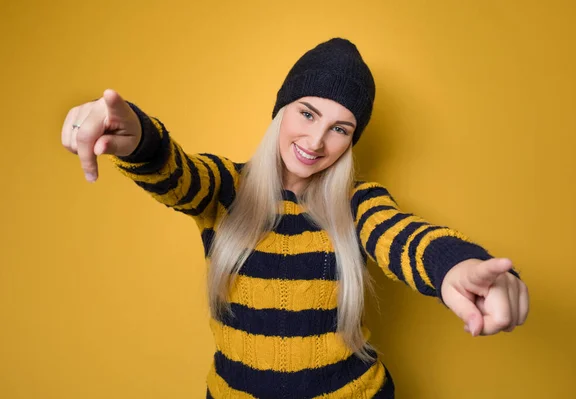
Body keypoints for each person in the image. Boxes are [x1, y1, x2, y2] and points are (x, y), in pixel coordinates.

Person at [61, 38, 529, 398]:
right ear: (281, 111)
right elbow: (173, 169)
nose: (316, 140)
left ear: (351, 139)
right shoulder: (226, 186)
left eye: (339, 128)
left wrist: (458, 266)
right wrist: (134, 133)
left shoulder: (357, 203)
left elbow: (403, 236)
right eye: (307, 113)